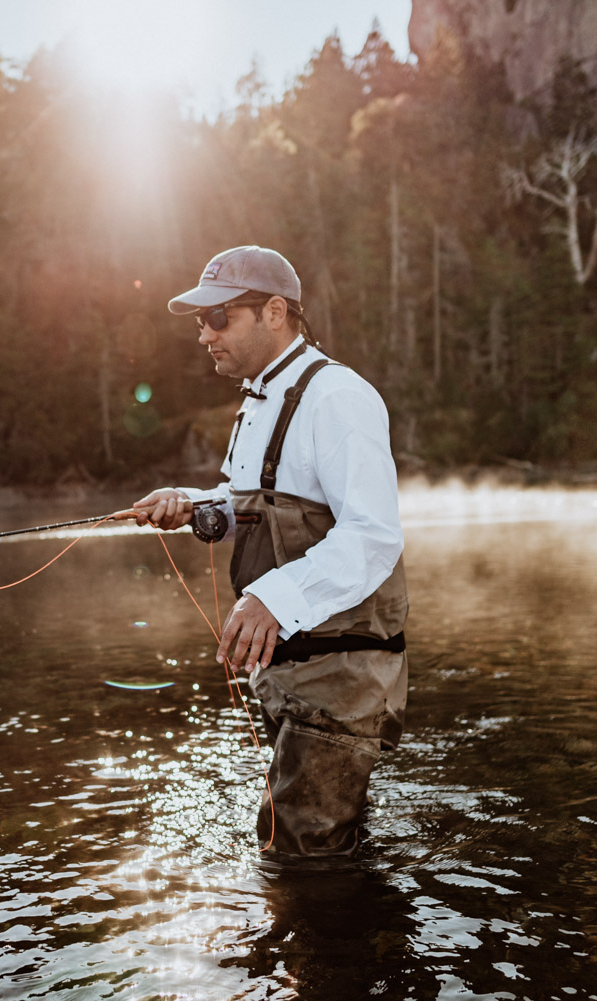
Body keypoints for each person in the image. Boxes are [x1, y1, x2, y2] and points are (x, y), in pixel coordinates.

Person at [132, 245, 408, 859]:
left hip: (340, 675)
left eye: (219, 318)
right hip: (291, 670)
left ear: (276, 312)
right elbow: (255, 506)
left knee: (299, 857)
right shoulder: (258, 401)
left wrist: (269, 599)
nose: (204, 335)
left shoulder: (337, 397)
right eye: (199, 322)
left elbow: (373, 535)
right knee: (323, 848)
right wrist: (193, 505)